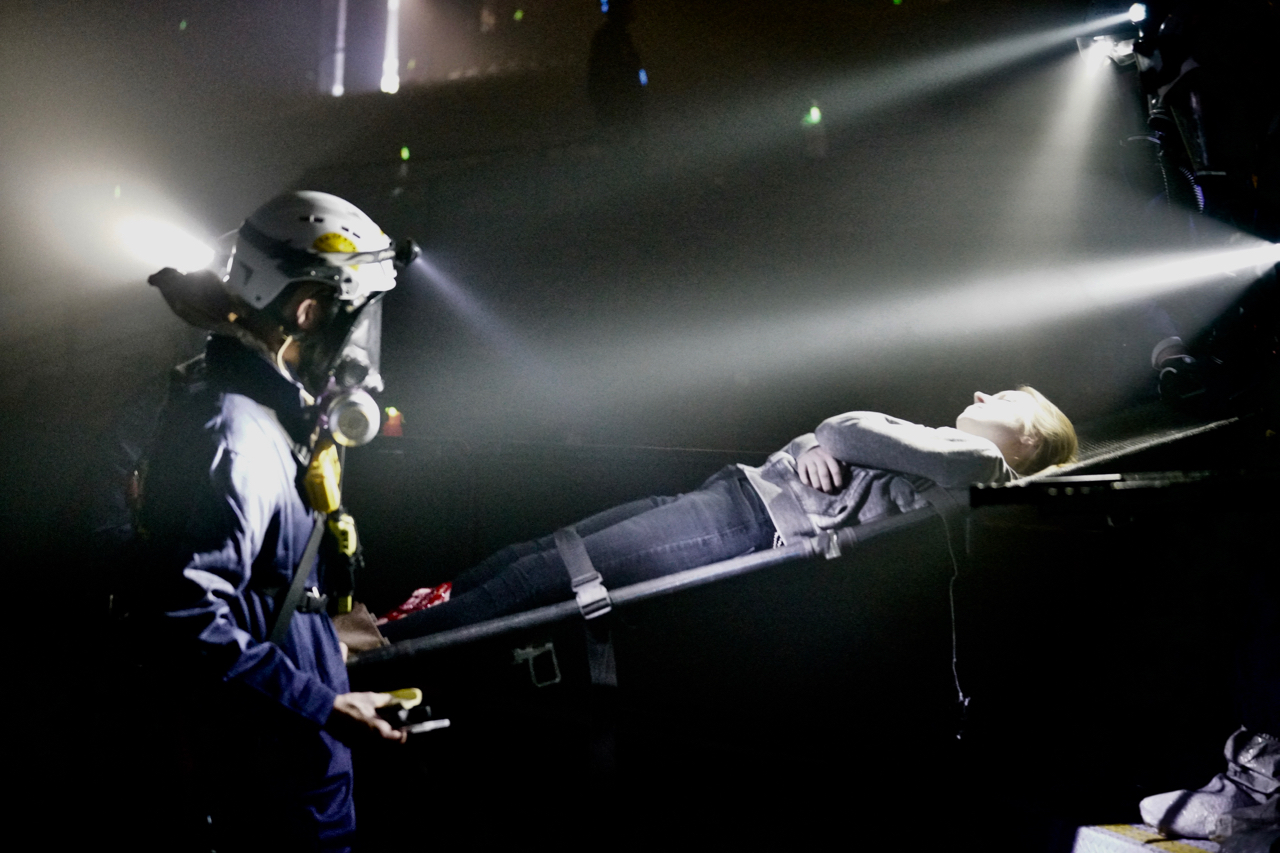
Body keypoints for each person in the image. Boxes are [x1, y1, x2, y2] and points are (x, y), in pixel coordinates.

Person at [136, 191, 410, 850]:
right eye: (356, 317)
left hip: (295, 780)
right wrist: (326, 705)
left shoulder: (270, 418)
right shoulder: (241, 436)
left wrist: (324, 639)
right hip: (271, 800)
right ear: (307, 310)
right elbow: (185, 618)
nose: (360, 347)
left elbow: (260, 593)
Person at [380, 386, 1077, 640]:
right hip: (740, 496)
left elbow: (842, 429)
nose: (982, 395)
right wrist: (813, 444)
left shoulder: (980, 461)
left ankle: (384, 647)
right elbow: (827, 442)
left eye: (1005, 400)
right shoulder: (950, 453)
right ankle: (390, 624)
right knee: (542, 552)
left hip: (749, 519)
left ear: (1028, 440)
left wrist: (821, 439)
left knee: (552, 570)